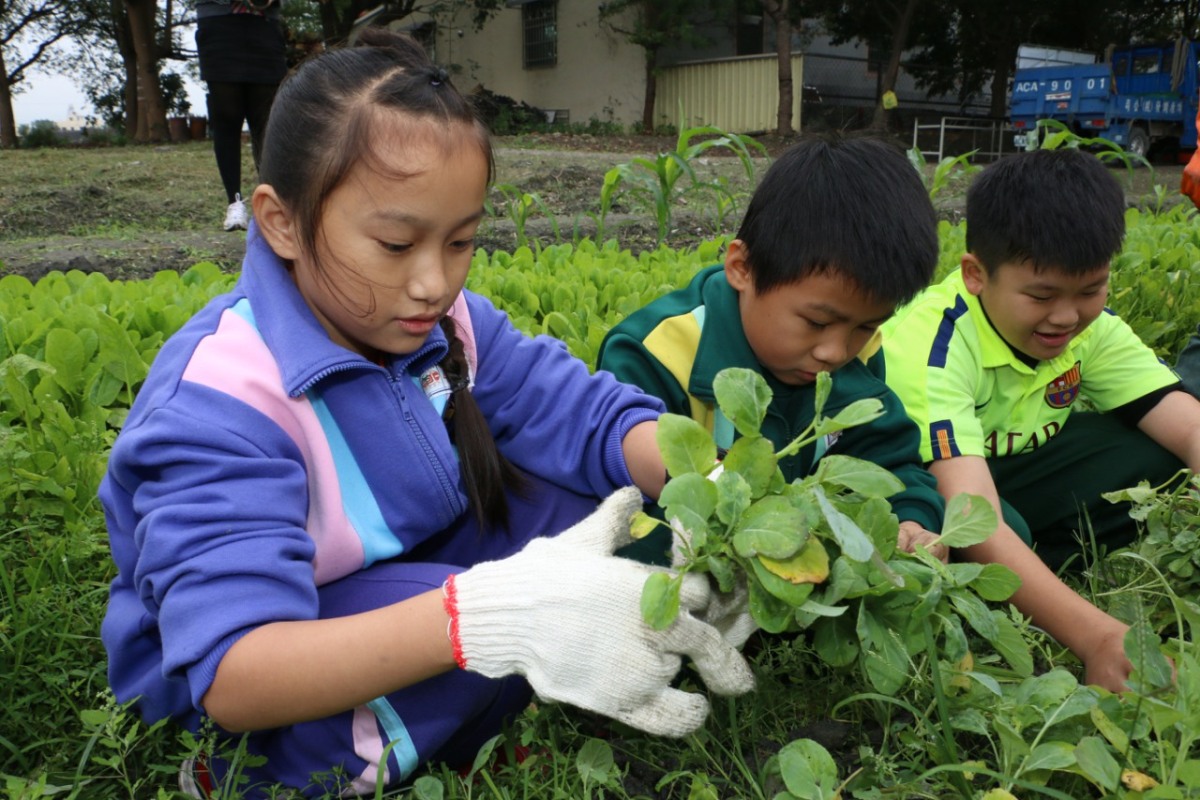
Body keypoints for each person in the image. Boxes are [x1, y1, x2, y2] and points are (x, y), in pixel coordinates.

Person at [99, 30, 753, 799]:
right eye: (396, 243)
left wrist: (710, 494)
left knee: (607, 510)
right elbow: (237, 673)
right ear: (279, 221)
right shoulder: (222, 401)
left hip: (404, 574)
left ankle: (507, 661)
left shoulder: (446, 323)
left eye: (462, 241)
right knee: (496, 623)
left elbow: (583, 414)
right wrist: (482, 615)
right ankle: (250, 773)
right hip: (266, 661)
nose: (433, 283)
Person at [880, 147, 1200, 693]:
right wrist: (1097, 637)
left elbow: (1187, 424)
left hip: (1013, 478)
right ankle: (1016, 578)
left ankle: (1023, 573)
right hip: (935, 492)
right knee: (977, 534)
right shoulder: (934, 345)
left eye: (1091, 290)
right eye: (1042, 295)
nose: (1066, 317)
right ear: (976, 275)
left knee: (1161, 459)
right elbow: (971, 510)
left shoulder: (1088, 328)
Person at [597, 134, 948, 565]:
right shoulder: (654, 352)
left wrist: (912, 520)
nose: (835, 352)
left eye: (868, 325)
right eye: (817, 322)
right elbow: (624, 510)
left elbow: (891, 462)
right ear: (742, 269)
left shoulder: (859, 351)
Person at [194, 0, 288, 231]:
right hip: (218, 22)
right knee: (226, 117)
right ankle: (234, 204)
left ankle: (273, 202)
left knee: (266, 120)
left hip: (263, 22)